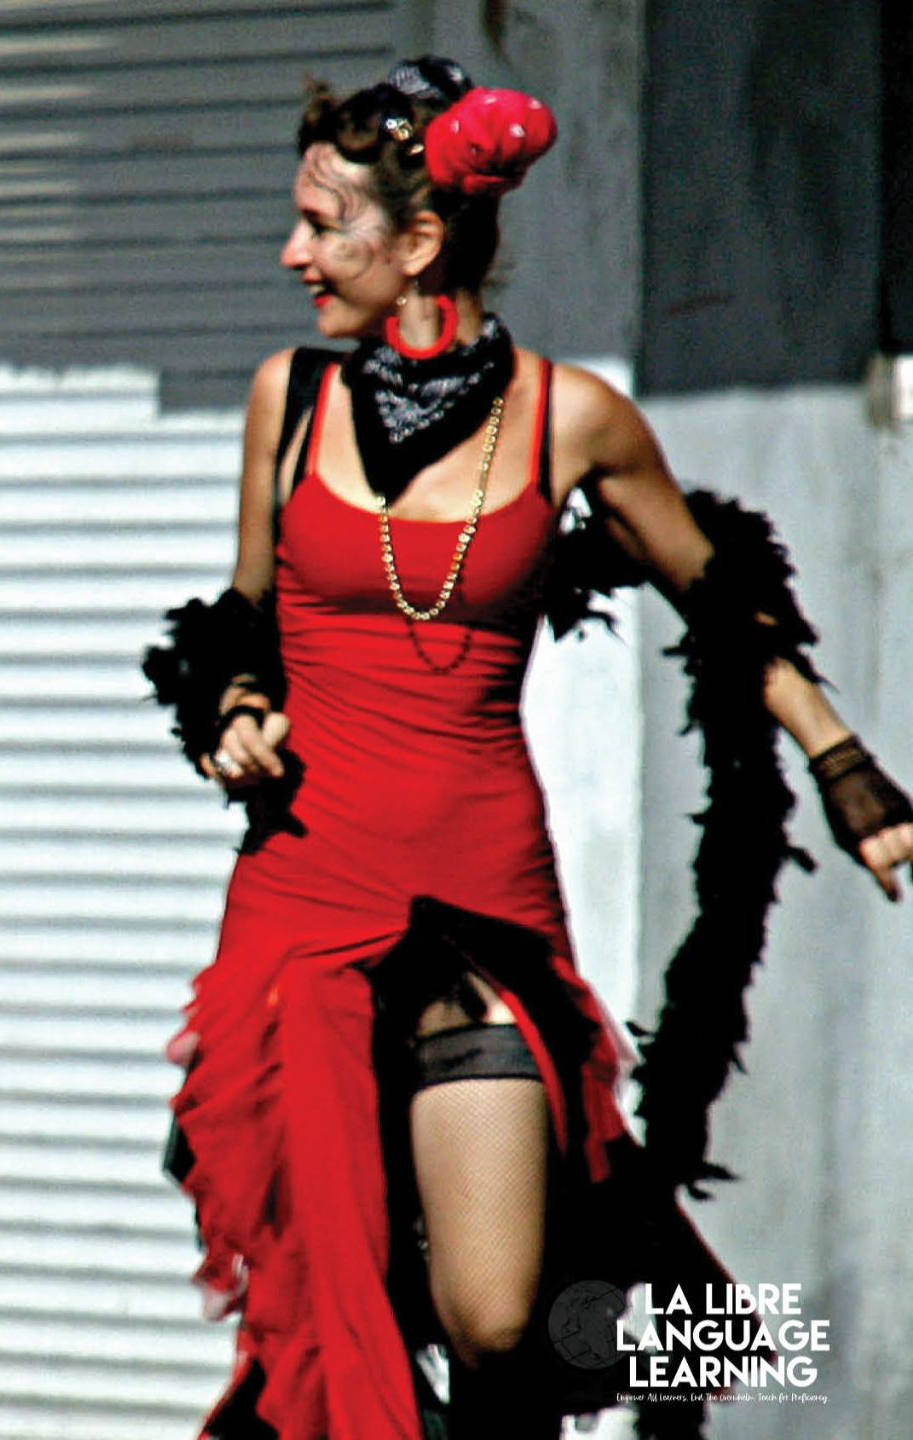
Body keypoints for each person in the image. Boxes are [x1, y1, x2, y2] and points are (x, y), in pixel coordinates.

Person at [144, 57, 913, 1440]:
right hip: (304, 905)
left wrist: (840, 764)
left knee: (499, 1318)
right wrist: (235, 714)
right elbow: (240, 621)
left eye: (320, 225)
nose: (292, 255)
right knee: (329, 1314)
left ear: (417, 241)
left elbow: (723, 596)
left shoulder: (571, 417)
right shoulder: (288, 398)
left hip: (479, 904)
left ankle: (703, 1344)